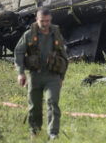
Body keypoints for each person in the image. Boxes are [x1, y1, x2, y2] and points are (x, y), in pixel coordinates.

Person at [14, 8, 68, 140]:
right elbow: (19, 51)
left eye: (48, 21)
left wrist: (62, 77)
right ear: (37, 20)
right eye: (42, 21)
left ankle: (53, 133)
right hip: (35, 76)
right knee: (34, 105)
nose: (45, 24)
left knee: (52, 103)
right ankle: (35, 131)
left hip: (52, 76)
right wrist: (21, 73)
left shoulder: (56, 35)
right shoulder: (29, 35)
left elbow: (64, 56)